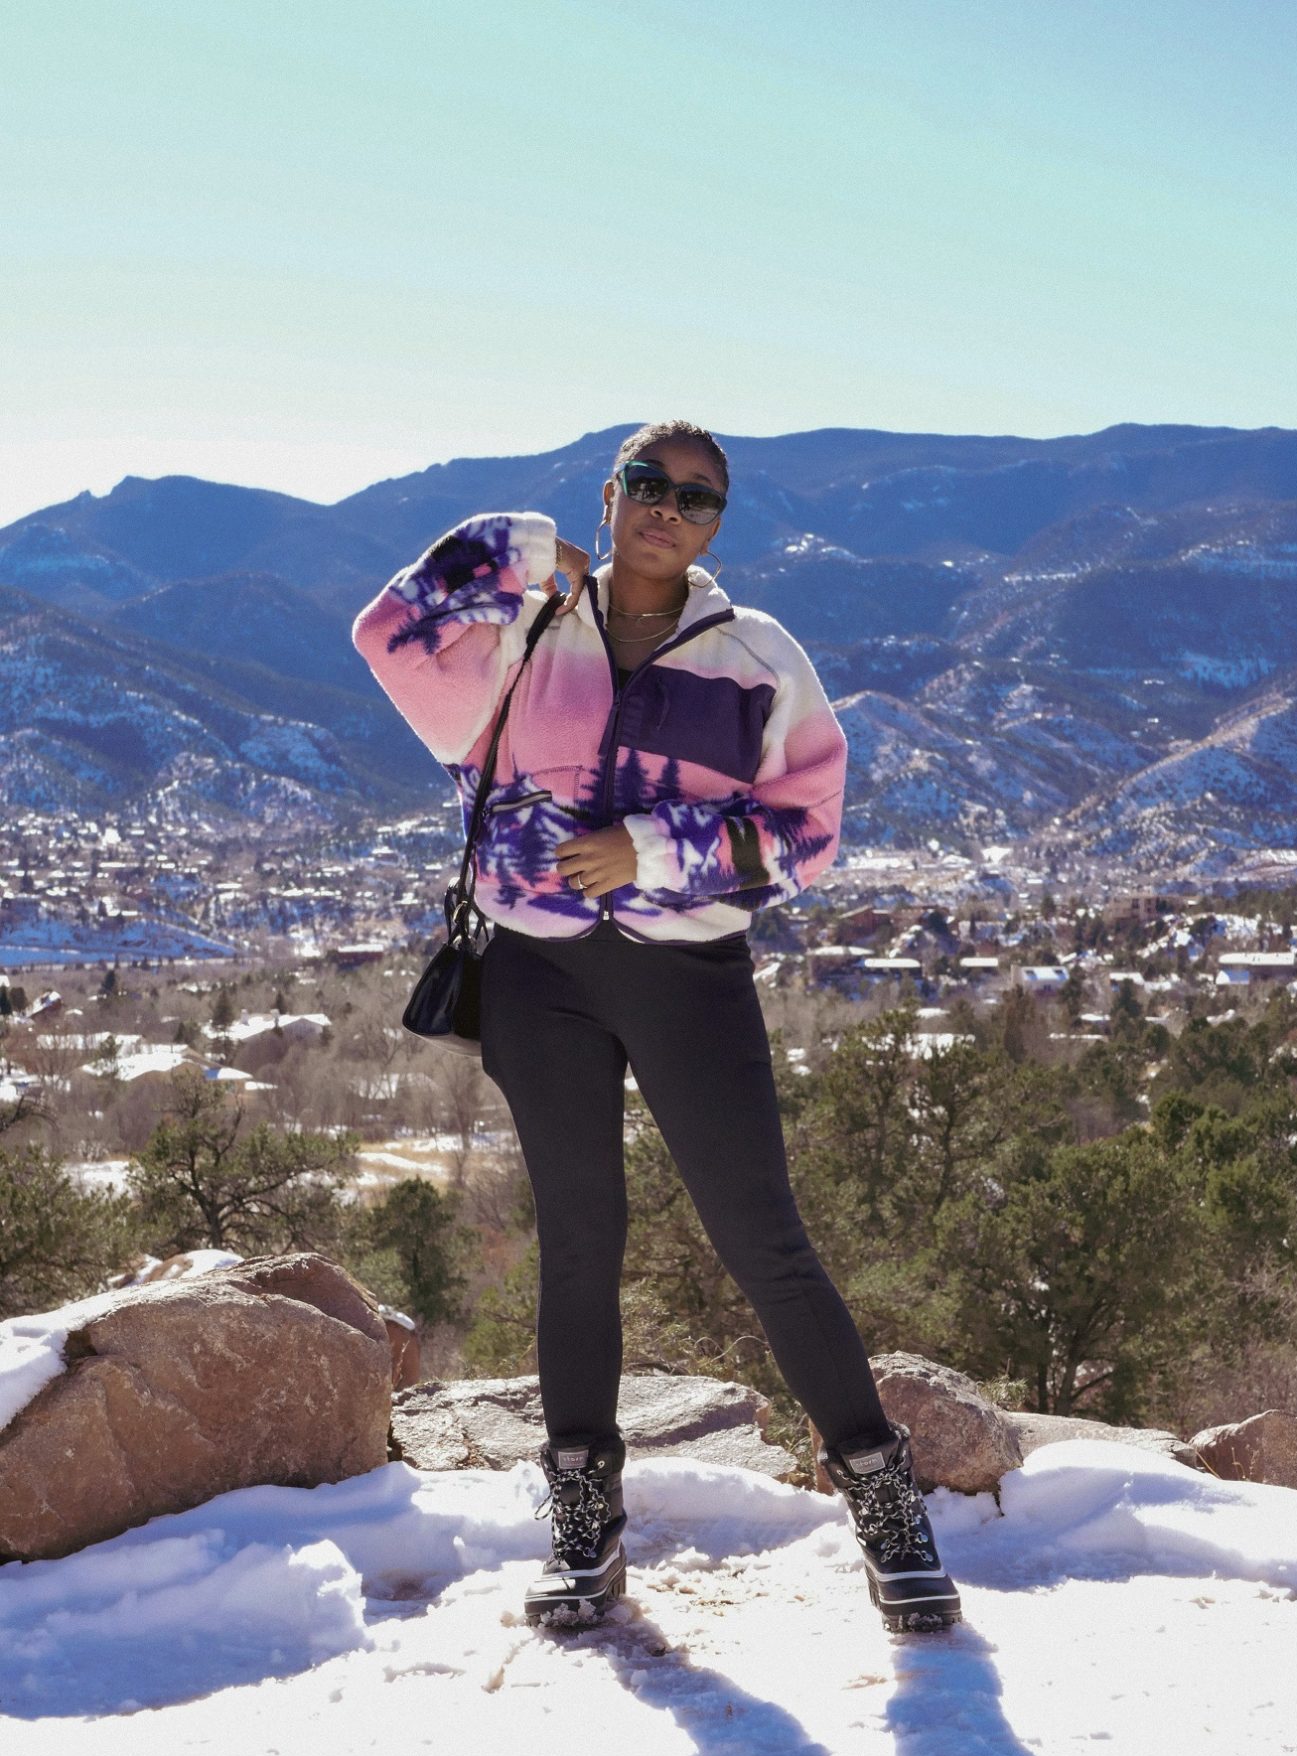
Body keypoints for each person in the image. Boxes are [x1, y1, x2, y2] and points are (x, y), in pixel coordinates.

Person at [352, 421, 962, 1634]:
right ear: (612, 494)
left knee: (765, 1241)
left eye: (696, 497)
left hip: (688, 978)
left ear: (717, 525)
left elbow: (810, 831)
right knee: (578, 1245)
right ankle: (586, 1527)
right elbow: (390, 629)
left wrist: (655, 849)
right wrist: (528, 548)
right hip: (539, 976)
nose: (667, 509)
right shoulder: (526, 633)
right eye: (647, 485)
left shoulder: (755, 656)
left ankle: (886, 1502)